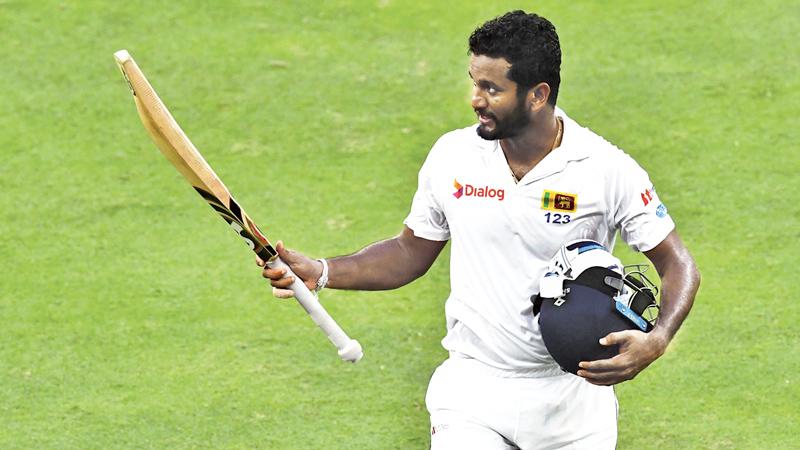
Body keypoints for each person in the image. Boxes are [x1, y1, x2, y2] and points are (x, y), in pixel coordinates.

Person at [259, 10, 700, 450]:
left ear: (537, 95)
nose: (475, 98)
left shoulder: (605, 170)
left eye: (491, 88)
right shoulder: (453, 156)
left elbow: (678, 264)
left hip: (572, 401)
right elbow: (409, 252)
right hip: (472, 391)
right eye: (474, 81)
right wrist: (323, 270)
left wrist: (658, 338)